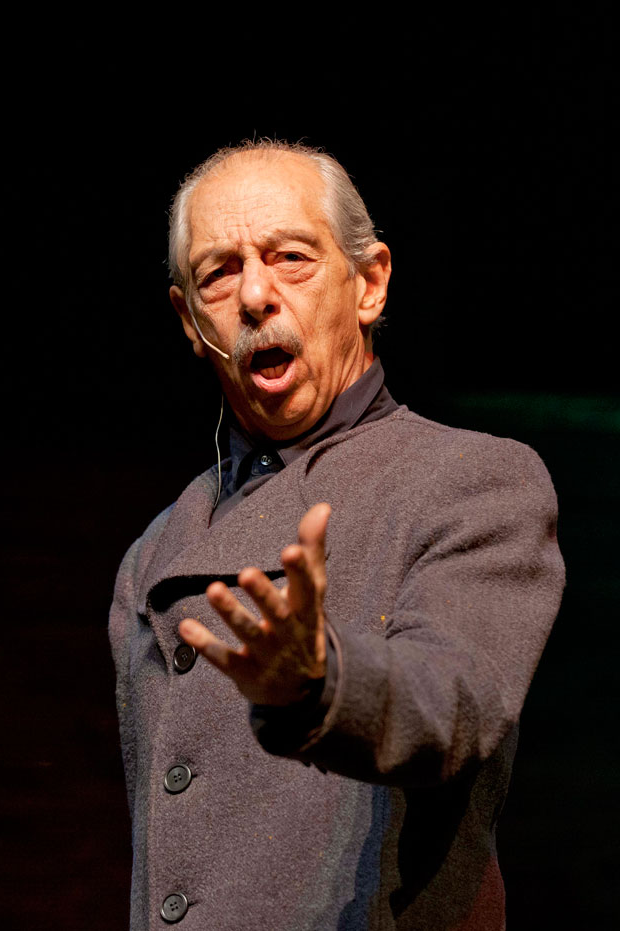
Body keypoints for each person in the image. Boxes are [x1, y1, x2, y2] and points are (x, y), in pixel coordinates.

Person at [108, 141, 563, 930]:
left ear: (370, 282)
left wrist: (320, 685)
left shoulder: (471, 480)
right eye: (219, 273)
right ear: (190, 319)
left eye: (291, 257)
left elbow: (453, 703)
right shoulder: (156, 550)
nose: (256, 294)